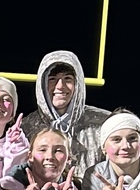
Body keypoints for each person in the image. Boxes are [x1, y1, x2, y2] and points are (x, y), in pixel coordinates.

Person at [22, 50, 109, 180]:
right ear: (42, 84)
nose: (60, 86)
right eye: (52, 79)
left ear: (78, 83)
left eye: (67, 79)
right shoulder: (26, 127)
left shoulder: (103, 123)